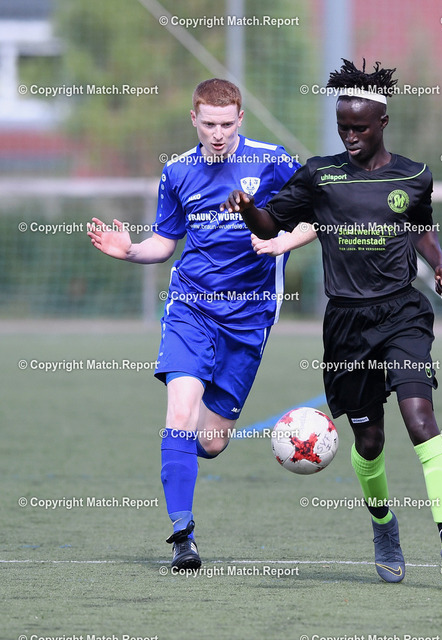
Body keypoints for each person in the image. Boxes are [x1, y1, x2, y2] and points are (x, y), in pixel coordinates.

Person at [223, 60, 442, 588]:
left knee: (420, 418)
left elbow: (422, 229)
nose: (350, 136)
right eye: (343, 127)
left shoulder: (414, 175)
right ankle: (383, 524)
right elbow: (271, 225)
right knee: (369, 441)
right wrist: (247, 208)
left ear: (382, 122)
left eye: (359, 127)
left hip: (402, 313)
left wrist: (441, 265)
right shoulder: (320, 175)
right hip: (346, 326)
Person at [87, 78, 314, 570]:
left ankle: (182, 458)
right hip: (191, 308)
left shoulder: (272, 161)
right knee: (180, 413)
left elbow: (318, 215)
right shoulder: (177, 172)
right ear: (194, 119)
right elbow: (164, 243)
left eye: (226, 124)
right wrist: (129, 251)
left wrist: (282, 242)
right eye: (208, 123)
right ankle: (182, 535)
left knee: (210, 440)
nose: (217, 134)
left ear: (240, 120)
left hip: (250, 316)